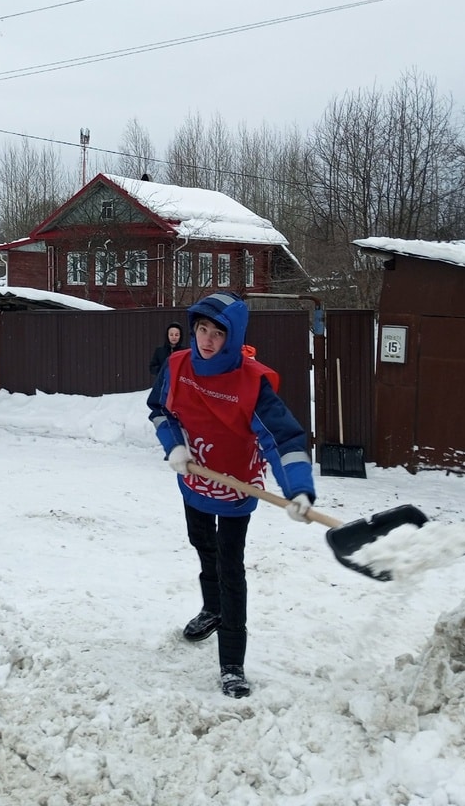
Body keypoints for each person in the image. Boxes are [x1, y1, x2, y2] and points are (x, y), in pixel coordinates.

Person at [147, 291, 315, 699]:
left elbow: (285, 437)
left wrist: (298, 489)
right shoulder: (176, 366)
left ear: (233, 336)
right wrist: (174, 446)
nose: (206, 340)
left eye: (217, 333)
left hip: (237, 484)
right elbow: (159, 410)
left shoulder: (251, 382)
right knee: (202, 545)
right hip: (195, 478)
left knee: (230, 565)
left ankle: (232, 663)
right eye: (201, 330)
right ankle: (212, 608)